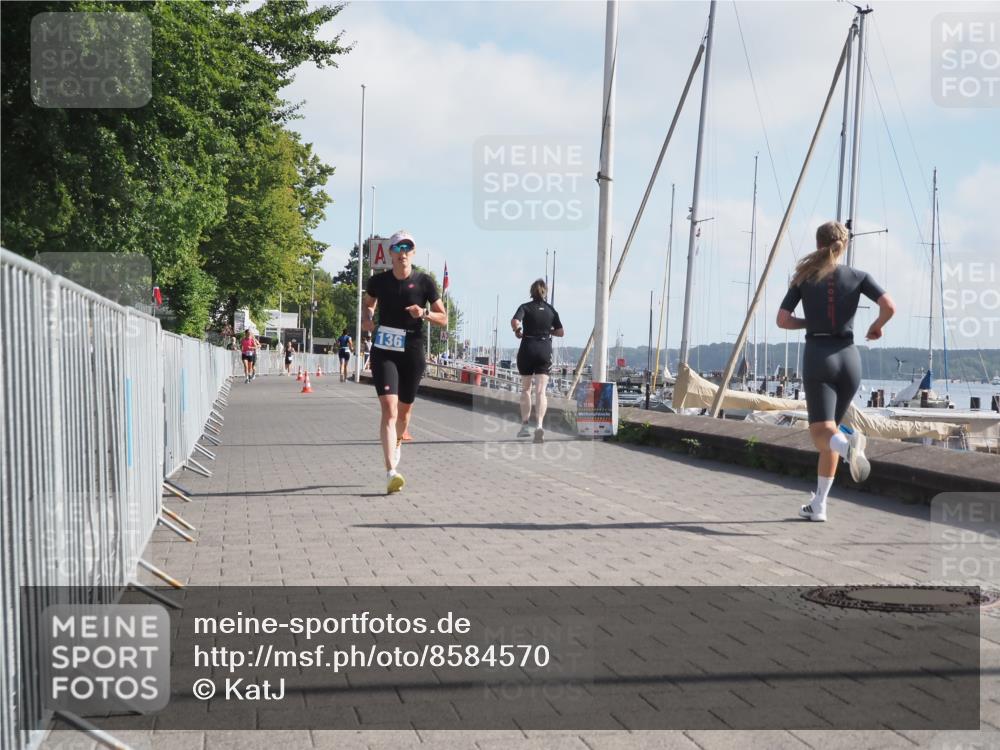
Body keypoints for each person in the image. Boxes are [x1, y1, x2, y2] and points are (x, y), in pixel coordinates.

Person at [777, 220, 895, 522]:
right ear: (844, 246)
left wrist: (810, 323)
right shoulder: (858, 276)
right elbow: (889, 306)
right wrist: (876, 327)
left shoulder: (803, 277)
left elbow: (783, 319)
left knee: (822, 434)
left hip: (820, 356)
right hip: (849, 358)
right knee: (827, 431)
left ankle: (849, 443)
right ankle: (819, 506)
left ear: (818, 244)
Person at [362, 230, 447, 493]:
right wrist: (367, 318)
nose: (402, 254)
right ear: (390, 254)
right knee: (389, 409)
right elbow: (369, 305)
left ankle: (398, 440)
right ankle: (391, 472)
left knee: (405, 411)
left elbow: (443, 318)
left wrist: (424, 313)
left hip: (412, 347)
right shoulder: (378, 282)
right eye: (397, 249)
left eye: (407, 248)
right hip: (384, 348)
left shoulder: (425, 282)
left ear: (413, 253)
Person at [511, 279, 565, 443]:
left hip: (527, 347)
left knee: (526, 390)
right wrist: (549, 330)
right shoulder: (551, 310)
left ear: (532, 291)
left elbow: (514, 321)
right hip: (544, 349)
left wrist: (518, 331)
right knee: (541, 391)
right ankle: (540, 426)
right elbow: (561, 332)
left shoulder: (525, 307)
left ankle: (525, 425)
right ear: (545, 292)